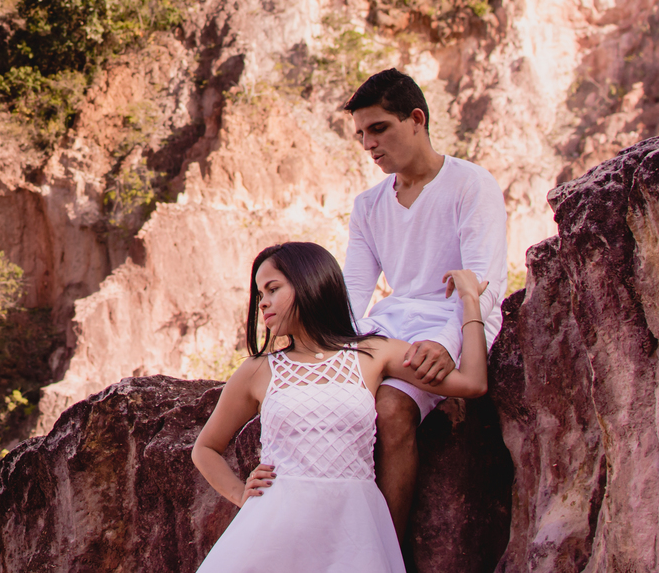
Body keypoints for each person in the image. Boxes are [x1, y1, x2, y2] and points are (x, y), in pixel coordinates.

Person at [191, 242, 489, 572]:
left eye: (273, 289)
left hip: (354, 533)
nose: (262, 303)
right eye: (260, 294)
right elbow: (205, 448)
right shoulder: (256, 370)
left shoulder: (373, 353)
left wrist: (470, 302)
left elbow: (472, 383)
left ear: (309, 282)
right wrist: (241, 495)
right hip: (273, 531)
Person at [342, 68, 508, 539]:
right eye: (361, 135)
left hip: (456, 320)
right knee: (332, 400)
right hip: (392, 324)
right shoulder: (368, 205)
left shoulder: (470, 183)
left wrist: (447, 342)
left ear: (416, 119)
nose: (369, 144)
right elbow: (354, 288)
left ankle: (386, 552)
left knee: (391, 408)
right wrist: (334, 344)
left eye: (379, 128)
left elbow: (485, 281)